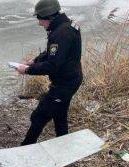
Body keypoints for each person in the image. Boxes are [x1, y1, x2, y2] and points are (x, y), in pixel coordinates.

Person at [16, 0, 83, 145]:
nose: (39, 23)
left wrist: (27, 70)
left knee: (39, 116)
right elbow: (53, 53)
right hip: (70, 79)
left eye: (39, 18)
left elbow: (52, 65)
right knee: (59, 114)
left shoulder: (61, 34)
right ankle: (63, 144)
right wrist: (35, 60)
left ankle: (25, 147)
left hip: (64, 84)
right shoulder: (65, 26)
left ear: (49, 17)